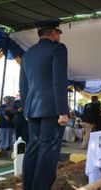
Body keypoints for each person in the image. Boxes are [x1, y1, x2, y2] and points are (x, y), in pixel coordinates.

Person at [19, 19, 69, 190]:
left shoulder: (28, 54)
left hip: (32, 109)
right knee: (48, 150)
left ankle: (29, 186)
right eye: (59, 33)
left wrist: (27, 110)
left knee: (33, 148)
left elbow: (23, 86)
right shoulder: (58, 49)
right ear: (54, 33)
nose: (59, 37)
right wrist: (63, 111)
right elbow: (59, 81)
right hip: (52, 109)